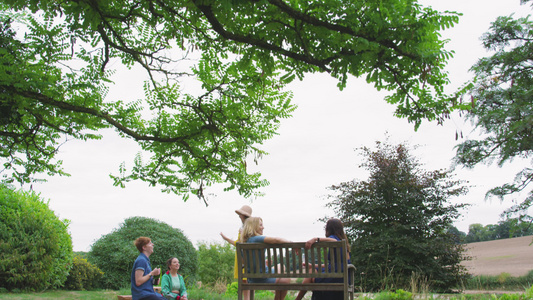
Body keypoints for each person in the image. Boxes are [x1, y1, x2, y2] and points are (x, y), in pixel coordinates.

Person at [294, 218, 351, 300]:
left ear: (328, 229)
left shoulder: (335, 239)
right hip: (345, 277)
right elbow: (334, 265)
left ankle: (298, 299)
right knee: (312, 269)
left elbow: (334, 241)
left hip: (334, 277)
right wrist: (314, 265)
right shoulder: (344, 245)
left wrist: (316, 239)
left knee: (311, 272)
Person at [240, 216, 291, 300]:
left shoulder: (243, 243)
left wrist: (263, 263)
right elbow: (276, 240)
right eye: (260, 225)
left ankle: (278, 285)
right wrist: (290, 243)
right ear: (254, 227)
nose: (263, 227)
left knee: (280, 266)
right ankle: (279, 289)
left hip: (251, 279)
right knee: (285, 279)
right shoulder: (257, 239)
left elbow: (244, 263)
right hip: (262, 278)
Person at [220, 204, 252, 300]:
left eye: (240, 214)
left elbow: (240, 243)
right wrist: (226, 239)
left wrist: (226, 239)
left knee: (245, 281)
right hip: (245, 258)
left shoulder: (246, 229)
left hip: (244, 259)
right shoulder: (246, 227)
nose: (239, 216)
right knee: (244, 281)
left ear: (243, 216)